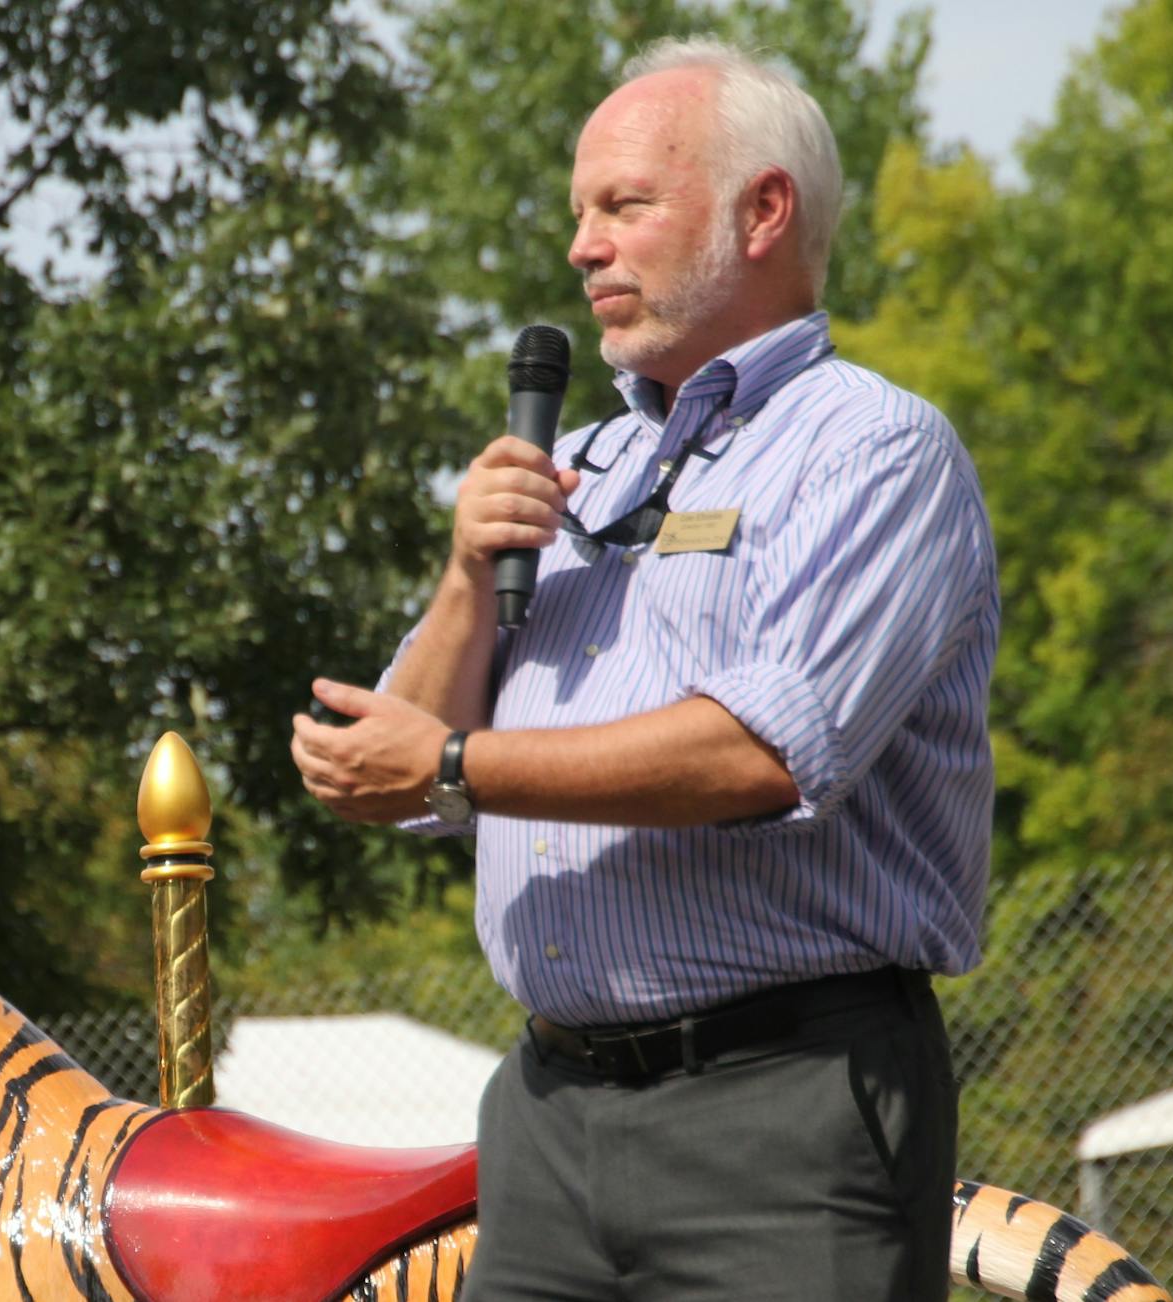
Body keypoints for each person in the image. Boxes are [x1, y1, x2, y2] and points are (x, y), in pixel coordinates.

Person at [288, 36, 997, 1302]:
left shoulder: (877, 451)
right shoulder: (585, 464)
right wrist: (466, 573)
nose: (582, 247)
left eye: (625, 205)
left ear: (763, 211)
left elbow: (760, 751)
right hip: (548, 1115)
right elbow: (389, 775)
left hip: (782, 1122)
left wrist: (454, 763)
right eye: (579, 213)